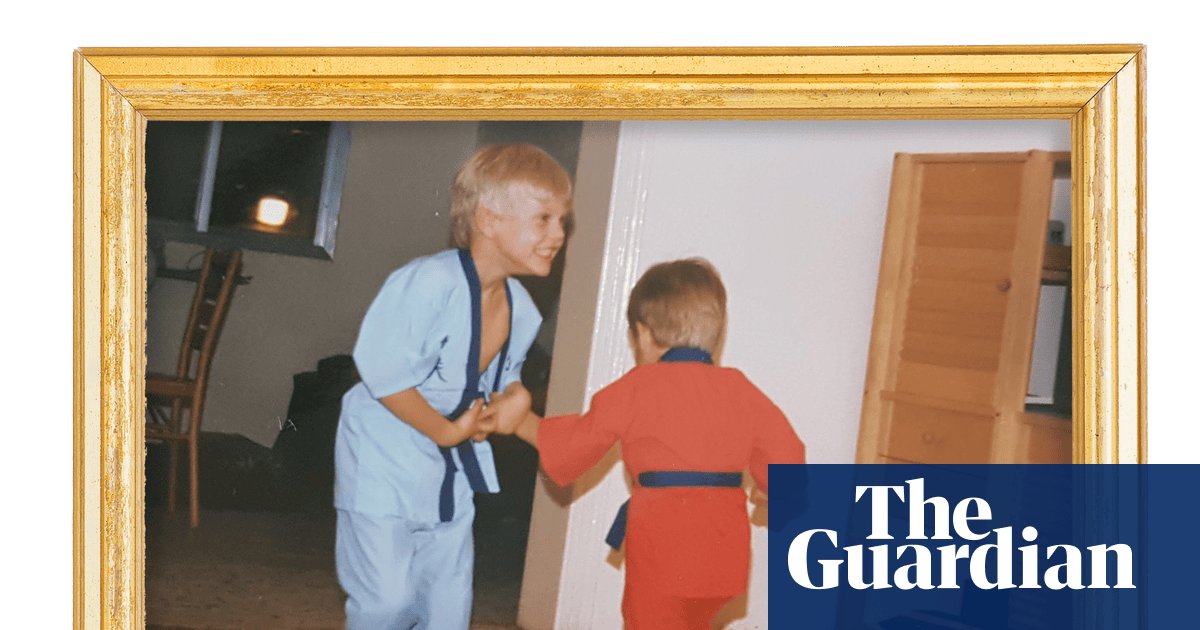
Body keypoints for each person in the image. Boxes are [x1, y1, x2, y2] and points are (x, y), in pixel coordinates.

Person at [333, 143, 572, 630]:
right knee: (386, 602)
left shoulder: (521, 310)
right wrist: (444, 432)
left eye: (563, 220)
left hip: (451, 468)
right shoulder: (426, 284)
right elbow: (382, 373)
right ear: (488, 220)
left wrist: (516, 398)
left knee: (446, 606)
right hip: (384, 456)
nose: (559, 234)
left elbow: (500, 385)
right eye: (544, 218)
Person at [504, 258, 807, 630]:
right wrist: (771, 491)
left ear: (643, 334)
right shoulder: (739, 389)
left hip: (664, 550)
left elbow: (572, 447)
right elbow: (787, 452)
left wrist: (521, 421)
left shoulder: (635, 388)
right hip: (724, 556)